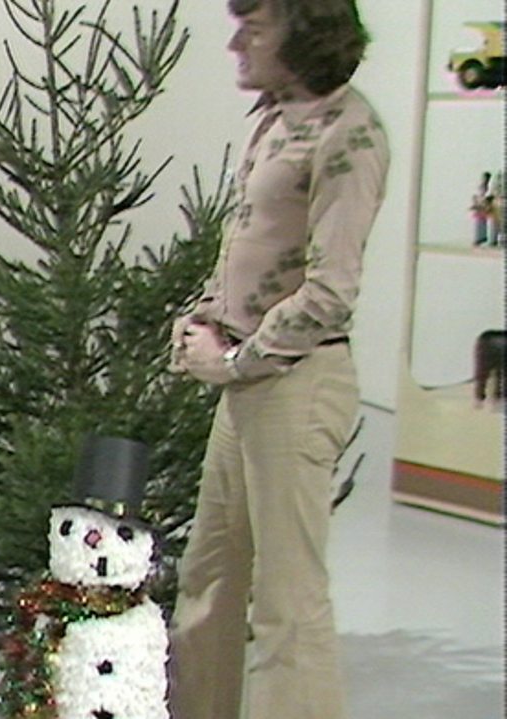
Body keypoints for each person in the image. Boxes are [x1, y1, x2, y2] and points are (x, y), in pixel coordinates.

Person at [166, 1, 388, 718]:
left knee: (289, 603)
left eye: (254, 28)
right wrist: (204, 316)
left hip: (298, 385)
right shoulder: (275, 118)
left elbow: (329, 293)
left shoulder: (350, 135)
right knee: (210, 580)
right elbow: (246, 244)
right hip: (250, 385)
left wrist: (235, 361)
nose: (236, 42)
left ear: (304, 36)